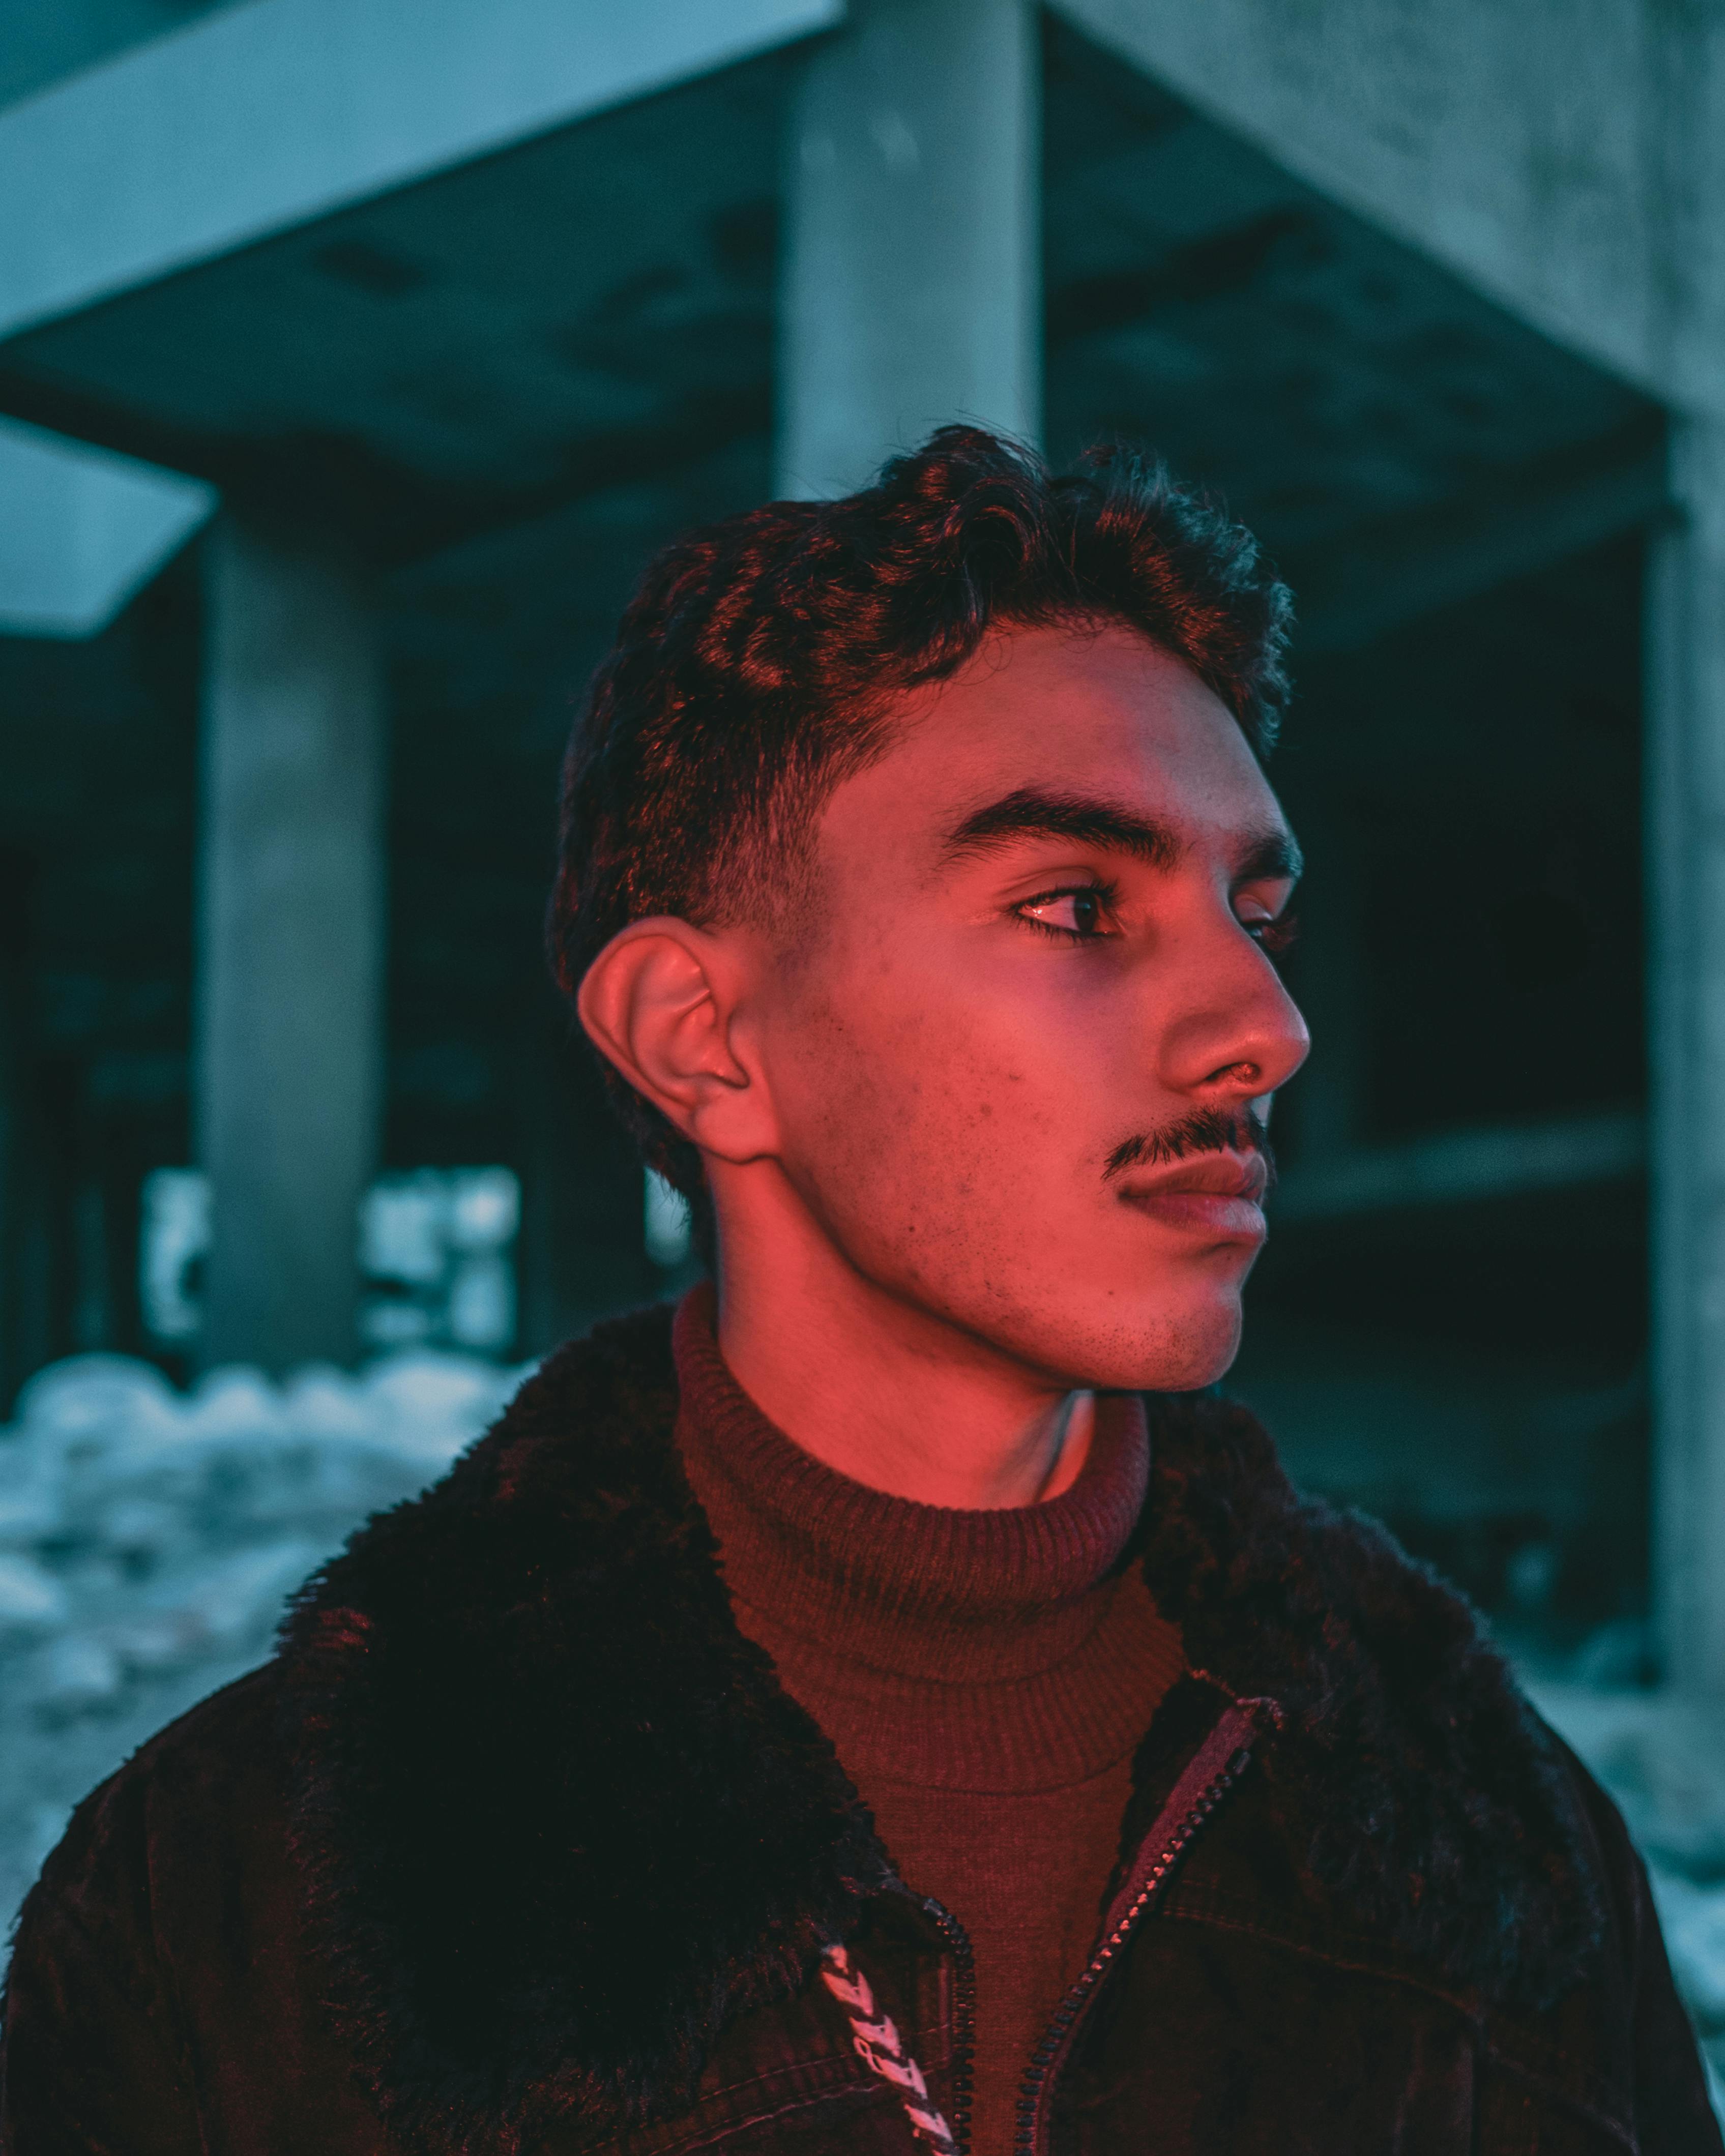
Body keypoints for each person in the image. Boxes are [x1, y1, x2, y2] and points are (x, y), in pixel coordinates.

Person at [2, 429, 1717, 2156]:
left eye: (1252, 914)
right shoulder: (246, 1908)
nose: (1268, 1029)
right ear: (704, 1038)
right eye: (1075, 905)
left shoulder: (1489, 1861)